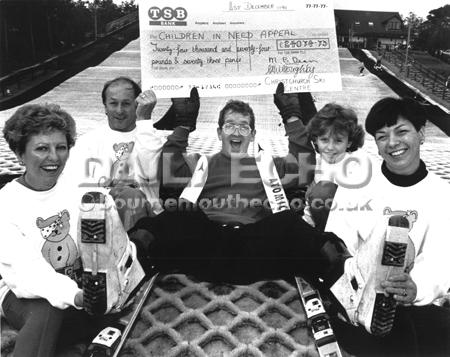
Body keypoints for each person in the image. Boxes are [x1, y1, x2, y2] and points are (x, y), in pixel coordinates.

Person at [128, 83, 351, 288]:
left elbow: (303, 167)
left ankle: (344, 275)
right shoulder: (200, 163)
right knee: (177, 216)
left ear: (252, 135)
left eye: (244, 127)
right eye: (229, 126)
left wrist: (291, 116)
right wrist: (184, 125)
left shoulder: (269, 164)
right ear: (219, 132)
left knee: (289, 221)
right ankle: (129, 264)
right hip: (206, 246)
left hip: (256, 247)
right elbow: (169, 169)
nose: (236, 132)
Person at [325, 97, 450, 356]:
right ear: (378, 146)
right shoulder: (357, 181)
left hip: (412, 303)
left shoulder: (442, 194)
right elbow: (337, 240)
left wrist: (416, 286)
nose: (392, 143)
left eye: (402, 131)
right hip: (358, 300)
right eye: (382, 137)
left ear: (421, 134)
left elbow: (441, 259)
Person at [0, 104, 128, 357]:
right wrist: (77, 296)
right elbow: (28, 275)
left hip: (83, 287)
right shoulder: (6, 204)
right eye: (41, 149)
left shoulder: (79, 191)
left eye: (61, 147)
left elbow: (114, 246)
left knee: (106, 312)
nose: (54, 158)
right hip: (24, 294)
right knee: (49, 311)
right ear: (19, 154)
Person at [65, 76, 166, 231]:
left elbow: (150, 174)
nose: (119, 110)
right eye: (113, 103)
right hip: (102, 219)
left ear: (137, 105)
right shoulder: (86, 142)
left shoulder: (153, 137)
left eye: (126, 104)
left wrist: (144, 119)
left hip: (148, 219)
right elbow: (75, 187)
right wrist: (113, 191)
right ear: (105, 107)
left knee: (132, 198)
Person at [302, 103, 366, 231]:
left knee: (322, 191)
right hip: (324, 222)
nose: (330, 147)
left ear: (349, 142)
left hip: (352, 226)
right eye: (325, 140)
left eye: (338, 141)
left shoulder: (354, 166)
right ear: (316, 140)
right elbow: (311, 203)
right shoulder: (321, 162)